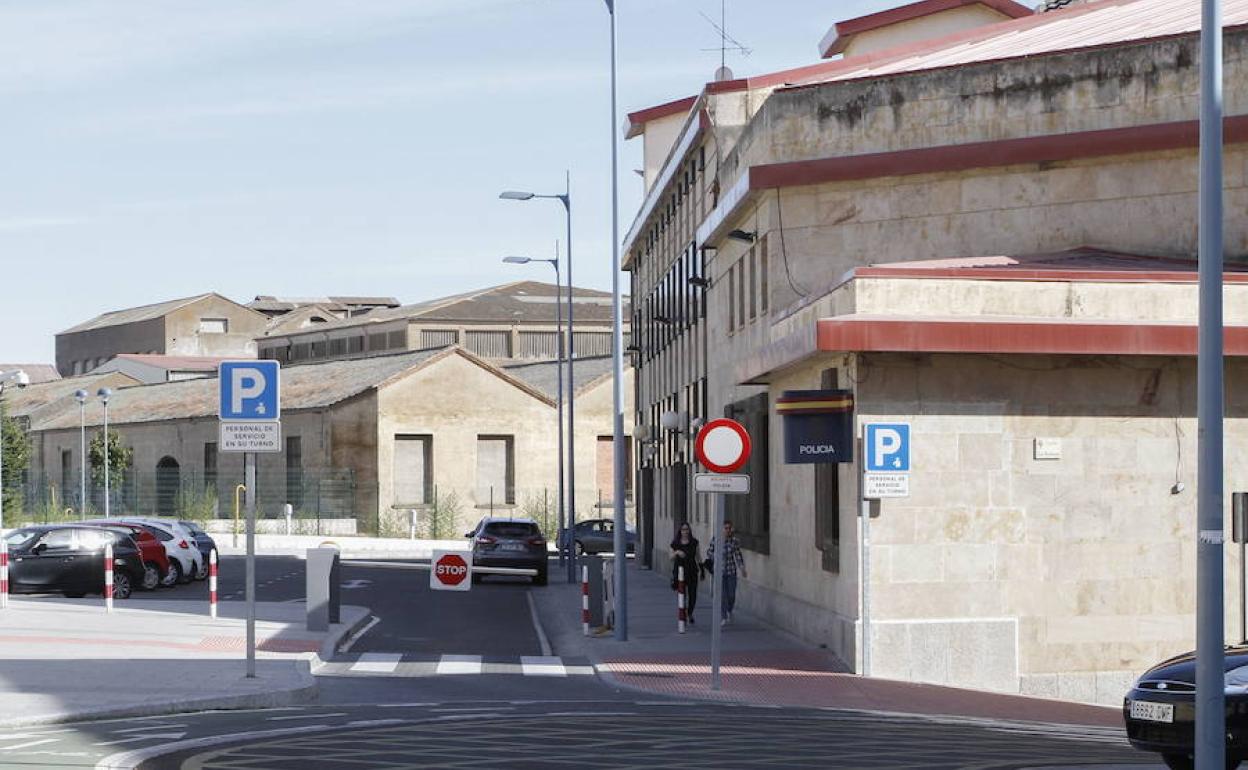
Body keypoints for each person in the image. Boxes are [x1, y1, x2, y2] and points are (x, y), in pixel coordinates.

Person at [705, 520, 747, 627]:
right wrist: (715, 556)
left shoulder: (734, 541)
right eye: (725, 528)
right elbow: (709, 552)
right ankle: (723, 616)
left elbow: (737, 554)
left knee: (731, 595)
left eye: (729, 528)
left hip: (731, 571)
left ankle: (729, 610)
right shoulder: (716, 540)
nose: (727, 530)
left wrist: (742, 568)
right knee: (722, 596)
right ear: (722, 529)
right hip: (719, 572)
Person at [669, 522, 702, 624]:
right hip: (680, 572)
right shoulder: (675, 543)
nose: (685, 532)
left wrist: (702, 569)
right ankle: (682, 614)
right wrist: (677, 552)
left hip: (692, 570)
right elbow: (670, 557)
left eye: (687, 529)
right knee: (682, 595)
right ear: (680, 531)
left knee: (693, 595)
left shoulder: (694, 542)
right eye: (683, 529)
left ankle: (690, 612)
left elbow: (698, 556)